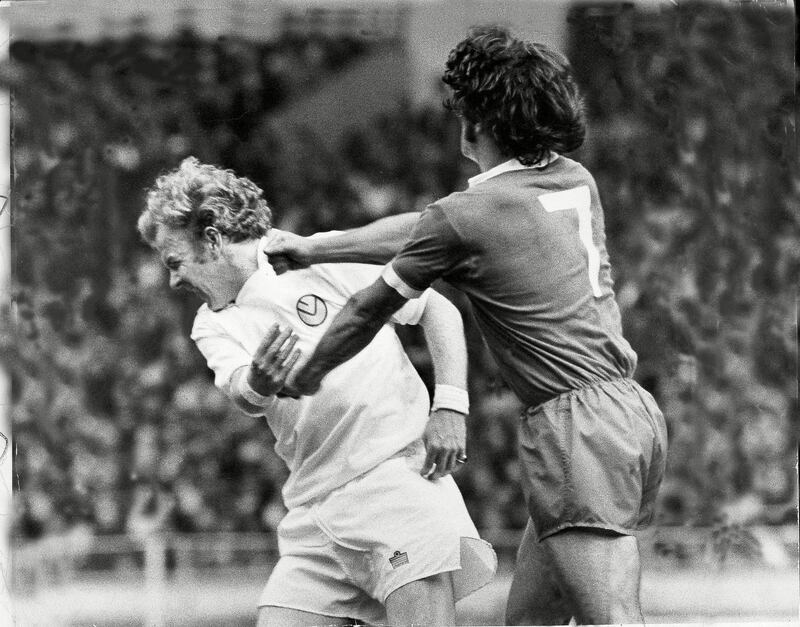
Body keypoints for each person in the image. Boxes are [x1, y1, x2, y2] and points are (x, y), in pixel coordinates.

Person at [264, 26, 668, 626]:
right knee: (529, 621)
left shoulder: (467, 217)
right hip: (630, 416)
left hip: (573, 430)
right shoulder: (572, 180)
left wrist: (305, 372)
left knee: (614, 619)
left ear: (475, 123)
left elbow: (368, 308)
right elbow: (429, 227)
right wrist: (318, 248)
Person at [137, 157, 496, 627]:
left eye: (174, 261)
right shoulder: (211, 323)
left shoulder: (316, 254)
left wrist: (450, 404)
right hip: (314, 509)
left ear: (211, 238)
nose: (173, 279)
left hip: (395, 481)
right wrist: (260, 383)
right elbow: (244, 396)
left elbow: (437, 310)